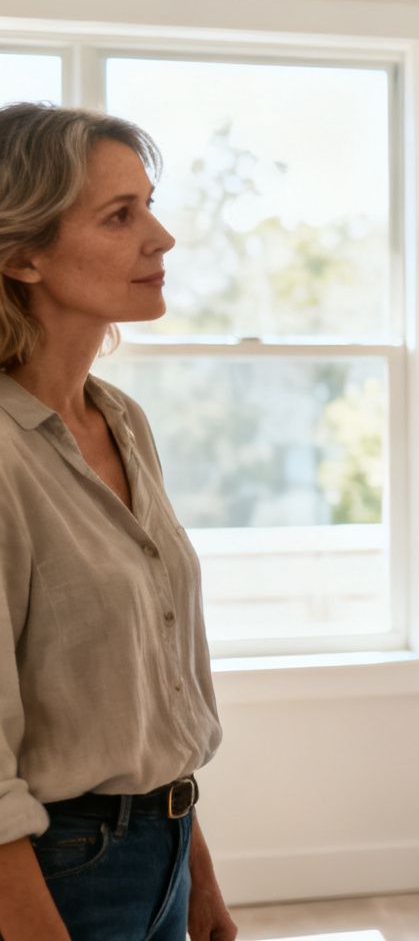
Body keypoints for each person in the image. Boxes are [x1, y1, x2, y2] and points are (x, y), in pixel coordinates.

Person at [0, 103, 235, 941]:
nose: (162, 236)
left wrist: (194, 870)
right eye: (120, 215)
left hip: (158, 847)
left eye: (149, 204)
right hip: (52, 870)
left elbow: (138, 697)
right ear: (23, 253)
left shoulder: (121, 420)